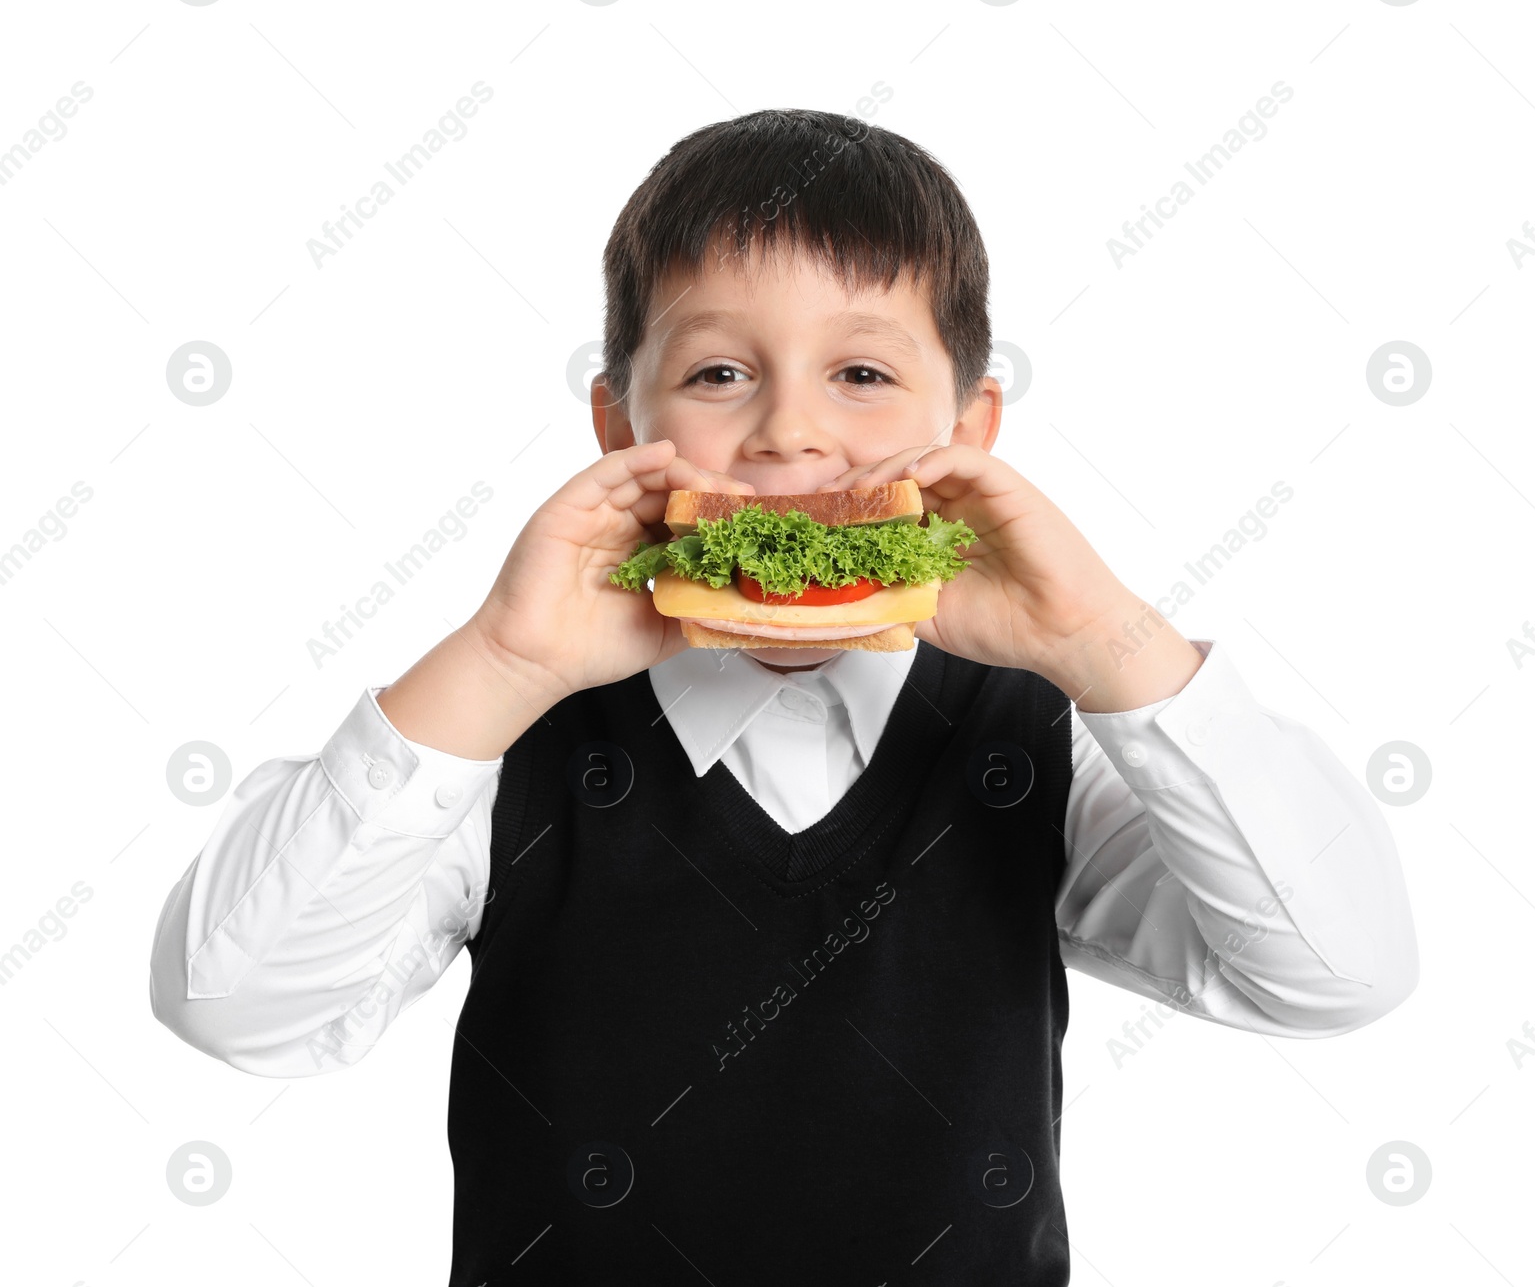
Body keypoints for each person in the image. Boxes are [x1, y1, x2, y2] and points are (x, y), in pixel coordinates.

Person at [149, 109, 1419, 1284]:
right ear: (616, 421)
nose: (788, 436)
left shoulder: (1034, 731)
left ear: (971, 429)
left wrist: (1104, 643)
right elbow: (236, 1006)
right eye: (717, 376)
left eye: (861, 376)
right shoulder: (506, 737)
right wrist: (496, 666)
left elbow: (1334, 975)